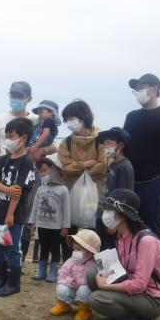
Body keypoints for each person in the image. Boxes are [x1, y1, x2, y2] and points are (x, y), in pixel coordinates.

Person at [87, 188, 160, 320]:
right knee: (92, 274)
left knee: (97, 299)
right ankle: (120, 316)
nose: (105, 213)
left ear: (123, 214)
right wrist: (105, 271)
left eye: (109, 209)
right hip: (135, 288)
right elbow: (123, 268)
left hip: (152, 298)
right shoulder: (122, 236)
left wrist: (105, 286)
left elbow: (139, 285)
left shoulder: (146, 241)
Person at [123, 73, 160, 238]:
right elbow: (124, 146)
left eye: (141, 87)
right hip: (129, 181)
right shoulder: (131, 117)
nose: (137, 91)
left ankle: (154, 264)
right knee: (127, 229)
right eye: (136, 89)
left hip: (153, 183)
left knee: (151, 232)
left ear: (154, 89)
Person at [0, 117, 36, 297]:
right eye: (6, 136)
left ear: (23, 137)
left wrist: (10, 214)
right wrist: (6, 188)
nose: (7, 139)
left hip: (12, 215)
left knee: (12, 247)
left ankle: (13, 283)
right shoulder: (4, 159)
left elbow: (18, 193)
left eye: (10, 136)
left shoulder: (27, 162)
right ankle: (0, 280)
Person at [57, 99, 108, 258]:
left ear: (84, 117)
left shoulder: (102, 139)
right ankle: (67, 267)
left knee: (94, 237)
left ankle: (94, 270)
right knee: (68, 234)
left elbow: (105, 165)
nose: (69, 122)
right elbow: (65, 168)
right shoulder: (66, 143)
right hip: (71, 196)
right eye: (67, 119)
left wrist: (76, 167)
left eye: (72, 118)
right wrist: (86, 164)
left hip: (96, 197)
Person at [29, 154, 70, 282]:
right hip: (42, 225)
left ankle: (53, 273)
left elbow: (66, 209)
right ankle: (41, 272)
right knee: (43, 248)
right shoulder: (41, 189)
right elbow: (35, 207)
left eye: (45, 170)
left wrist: (65, 226)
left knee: (55, 249)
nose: (42, 174)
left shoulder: (63, 190)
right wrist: (33, 223)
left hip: (55, 227)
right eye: (40, 171)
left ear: (55, 171)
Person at [95, 127, 135, 249]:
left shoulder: (124, 167)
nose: (105, 146)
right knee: (101, 250)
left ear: (121, 145)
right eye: (104, 143)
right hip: (102, 215)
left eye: (109, 143)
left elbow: (125, 198)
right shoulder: (113, 164)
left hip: (112, 220)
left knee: (110, 252)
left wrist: (115, 222)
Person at [50, 229, 100, 320]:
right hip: (72, 290)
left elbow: (94, 281)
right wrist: (70, 281)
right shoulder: (71, 261)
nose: (76, 252)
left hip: (84, 293)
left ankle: (84, 310)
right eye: (75, 249)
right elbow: (62, 274)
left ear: (90, 252)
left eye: (79, 249)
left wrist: (79, 285)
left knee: (84, 290)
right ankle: (63, 305)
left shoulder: (95, 265)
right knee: (61, 288)